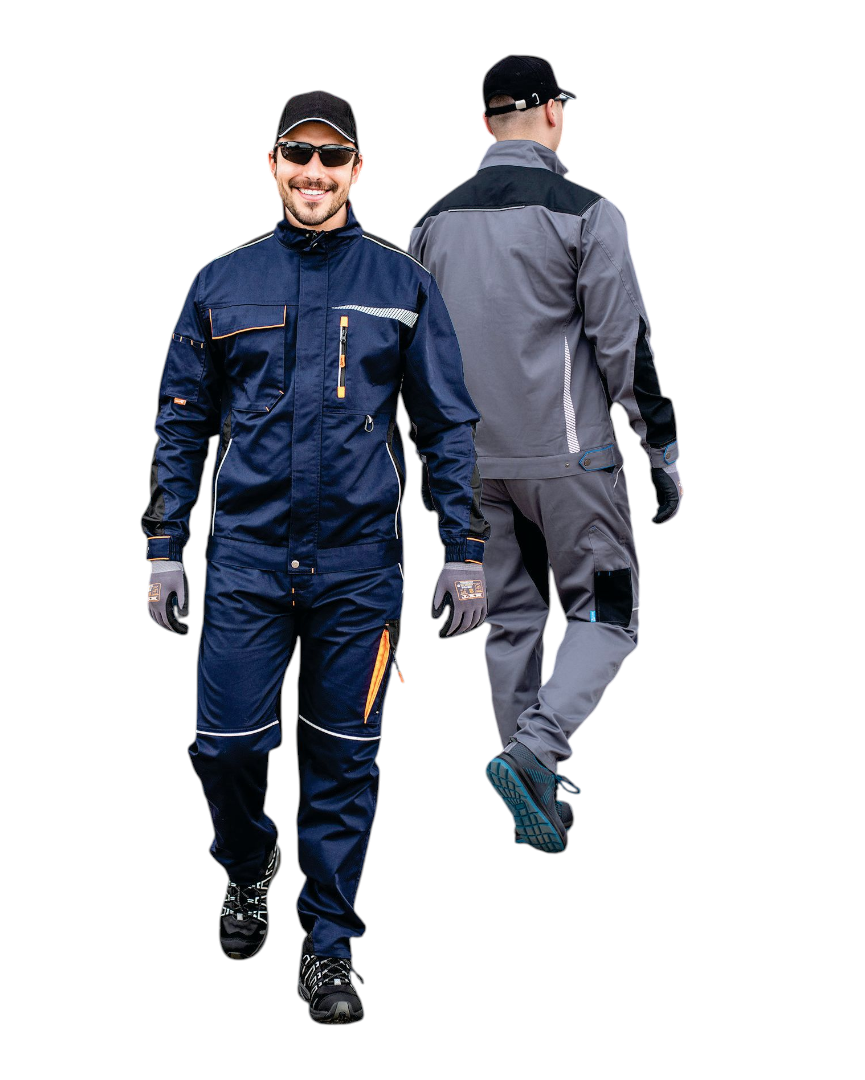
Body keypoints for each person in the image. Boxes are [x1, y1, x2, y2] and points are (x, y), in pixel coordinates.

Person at [142, 90, 489, 1023]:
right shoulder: (222, 284)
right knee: (225, 749)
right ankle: (248, 860)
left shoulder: (401, 283)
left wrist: (464, 548)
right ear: (273, 165)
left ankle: (328, 947)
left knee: (343, 764)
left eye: (333, 158)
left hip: (358, 571)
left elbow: (446, 423)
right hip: (248, 564)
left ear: (356, 170)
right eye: (299, 154)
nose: (314, 173)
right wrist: (166, 545)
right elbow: (182, 421)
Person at [409, 57, 681, 854]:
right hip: (571, 467)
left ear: (487, 123)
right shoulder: (587, 215)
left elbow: (417, 361)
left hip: (477, 471)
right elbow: (625, 344)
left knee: (513, 623)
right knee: (607, 615)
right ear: (553, 114)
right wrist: (661, 447)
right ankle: (536, 751)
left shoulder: (432, 225)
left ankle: (530, 788)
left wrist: (438, 472)